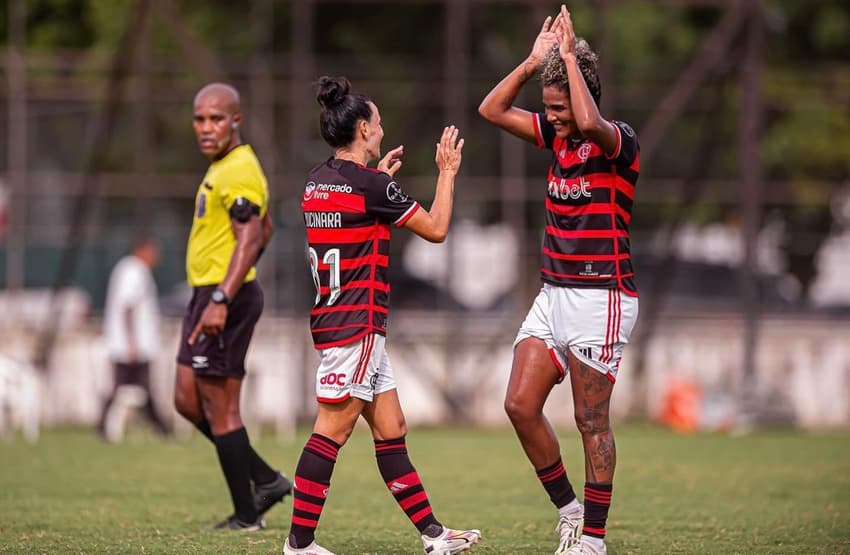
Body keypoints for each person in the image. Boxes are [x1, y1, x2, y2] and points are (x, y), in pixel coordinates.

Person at [282, 75, 481, 555]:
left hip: (338, 322)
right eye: (379, 123)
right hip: (357, 326)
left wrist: (381, 182)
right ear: (364, 129)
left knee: (392, 430)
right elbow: (436, 228)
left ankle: (434, 536)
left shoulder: (316, 180)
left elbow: (355, 213)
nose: (383, 130)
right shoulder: (371, 186)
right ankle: (299, 544)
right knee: (331, 431)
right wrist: (447, 172)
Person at [478, 5, 640, 555]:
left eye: (559, 107)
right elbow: (491, 109)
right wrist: (532, 64)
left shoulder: (618, 141)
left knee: (590, 420)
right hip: (554, 294)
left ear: (582, 95)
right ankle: (570, 512)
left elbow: (591, 124)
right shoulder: (557, 137)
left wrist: (569, 58)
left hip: (603, 297)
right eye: (547, 109)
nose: (552, 118)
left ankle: (593, 541)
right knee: (520, 405)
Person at [173, 82, 290, 531]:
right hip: (207, 294)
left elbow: (251, 235)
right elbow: (266, 226)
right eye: (199, 119)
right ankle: (266, 479)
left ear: (235, 121)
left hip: (223, 298)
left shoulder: (239, 169)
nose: (206, 127)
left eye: (216, 118)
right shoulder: (223, 166)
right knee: (187, 400)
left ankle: (247, 514)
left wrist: (225, 295)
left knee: (222, 410)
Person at [98, 237, 170, 441]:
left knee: (140, 388)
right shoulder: (133, 271)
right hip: (131, 345)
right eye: (153, 252)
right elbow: (127, 306)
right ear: (142, 250)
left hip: (134, 344)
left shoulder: (135, 270)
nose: (156, 257)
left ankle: (160, 427)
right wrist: (132, 342)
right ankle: (160, 428)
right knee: (123, 387)